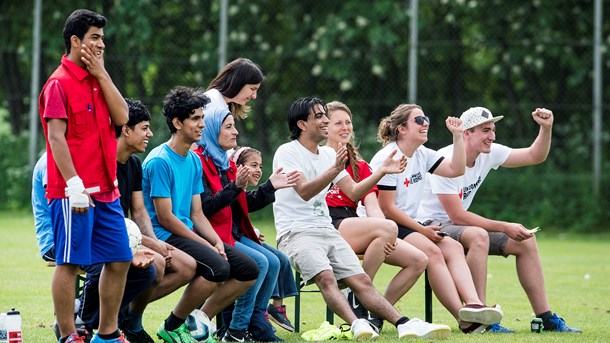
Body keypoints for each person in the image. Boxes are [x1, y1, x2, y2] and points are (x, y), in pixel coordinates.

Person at [272, 97, 451, 340]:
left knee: (363, 282)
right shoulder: (287, 152)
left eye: (327, 116)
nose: (325, 120)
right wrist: (334, 170)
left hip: (326, 230)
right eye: (320, 117)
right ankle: (357, 324)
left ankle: (404, 324)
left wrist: (381, 171)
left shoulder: (326, 155)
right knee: (326, 277)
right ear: (302, 124)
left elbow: (354, 191)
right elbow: (304, 192)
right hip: (296, 232)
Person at [416, 106, 582, 333]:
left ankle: (546, 318)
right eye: (485, 130)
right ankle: (482, 318)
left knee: (526, 240)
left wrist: (546, 128)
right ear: (466, 133)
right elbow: (457, 216)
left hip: (457, 226)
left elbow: (536, 155)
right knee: (478, 235)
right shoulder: (446, 158)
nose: (492, 136)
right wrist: (505, 226)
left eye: (493, 130)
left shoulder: (489, 152)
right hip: (431, 226)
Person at [38, 9, 131, 343]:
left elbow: (122, 118)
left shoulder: (98, 80)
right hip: (73, 193)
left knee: (120, 258)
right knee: (69, 262)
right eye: (95, 37)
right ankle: (68, 335)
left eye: (103, 39)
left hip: (107, 190)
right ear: (76, 41)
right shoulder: (58, 84)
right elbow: (56, 138)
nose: (101, 44)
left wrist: (103, 75)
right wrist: (74, 184)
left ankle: (107, 334)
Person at [373, 104, 503, 333]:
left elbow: (456, 169)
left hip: (407, 225)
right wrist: (423, 231)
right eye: (419, 120)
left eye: (427, 118)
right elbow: (387, 208)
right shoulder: (389, 156)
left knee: (451, 247)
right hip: (383, 226)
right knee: (432, 252)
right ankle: (465, 321)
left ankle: (473, 305)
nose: (426, 124)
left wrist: (457, 136)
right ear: (402, 129)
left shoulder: (422, 154)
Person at [142, 86, 258, 343]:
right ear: (176, 122)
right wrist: (205, 243)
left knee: (248, 269)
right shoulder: (160, 160)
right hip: (165, 234)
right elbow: (166, 218)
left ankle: (194, 323)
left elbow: (196, 213)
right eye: (195, 118)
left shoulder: (193, 160)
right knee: (218, 267)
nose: (202, 125)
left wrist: (216, 241)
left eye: (202, 118)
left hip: (186, 231)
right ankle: (171, 325)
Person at [323, 101, 429, 332]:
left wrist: (387, 233)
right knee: (386, 229)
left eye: (348, 122)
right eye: (337, 123)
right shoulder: (317, 158)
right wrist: (387, 230)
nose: (345, 127)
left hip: (352, 222)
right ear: (324, 127)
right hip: (327, 224)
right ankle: (357, 293)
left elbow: (372, 206)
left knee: (418, 260)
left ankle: (373, 312)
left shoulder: (360, 165)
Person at [194, 108, 297, 342]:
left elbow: (241, 204)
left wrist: (269, 186)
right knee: (261, 262)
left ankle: (256, 318)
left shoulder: (223, 163)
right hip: (209, 235)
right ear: (212, 130)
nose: (236, 131)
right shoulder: (200, 162)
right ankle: (238, 327)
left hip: (230, 233)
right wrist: (236, 187)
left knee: (273, 260)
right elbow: (204, 209)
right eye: (229, 126)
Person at [31, 152, 157, 343]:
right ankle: (80, 323)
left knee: (145, 271)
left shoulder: (87, 160)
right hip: (56, 242)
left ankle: (105, 326)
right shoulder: (52, 162)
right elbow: (68, 220)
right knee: (103, 267)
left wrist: (127, 249)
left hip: (87, 238)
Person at [115, 98, 200, 342]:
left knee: (184, 266)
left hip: (127, 235)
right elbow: (110, 220)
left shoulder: (134, 164)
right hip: (107, 236)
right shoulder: (104, 163)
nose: (150, 134)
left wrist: (154, 242)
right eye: (144, 128)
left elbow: (139, 212)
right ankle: (118, 317)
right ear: (126, 129)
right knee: (159, 263)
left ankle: (129, 318)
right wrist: (154, 245)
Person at [230, 147, 299, 333]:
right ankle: (250, 318)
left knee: (279, 260)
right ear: (237, 167)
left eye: (260, 165)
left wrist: (270, 186)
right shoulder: (229, 186)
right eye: (253, 165)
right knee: (265, 261)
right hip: (228, 239)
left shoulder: (240, 190)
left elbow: (248, 203)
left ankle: (267, 310)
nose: (259, 170)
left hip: (240, 235)